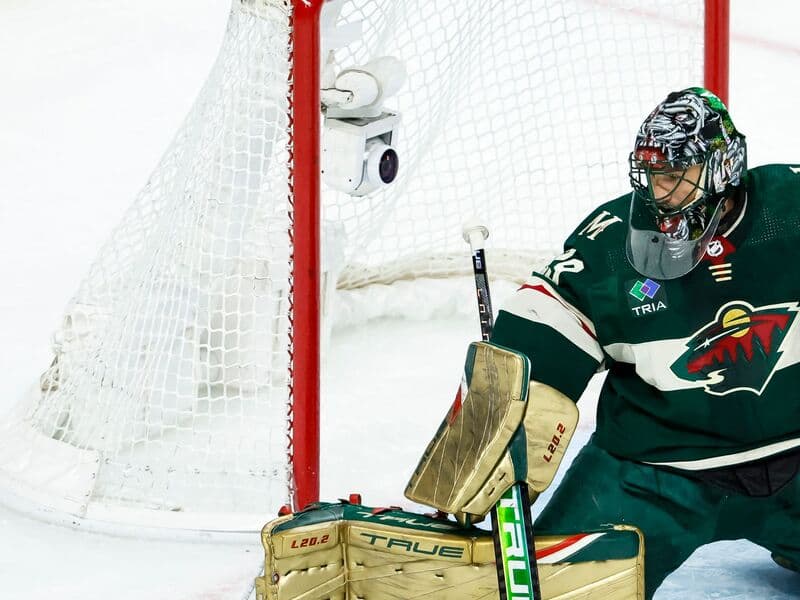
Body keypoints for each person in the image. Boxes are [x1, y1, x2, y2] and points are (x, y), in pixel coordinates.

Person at [483, 86, 800, 597]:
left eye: (676, 174)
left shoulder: (791, 208)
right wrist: (493, 412)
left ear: (724, 167)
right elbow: (542, 326)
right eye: (652, 174)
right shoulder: (611, 242)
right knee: (549, 590)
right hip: (657, 472)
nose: (659, 190)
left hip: (795, 456)